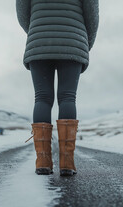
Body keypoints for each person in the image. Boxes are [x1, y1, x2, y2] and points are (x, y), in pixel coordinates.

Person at [17, 0, 99, 176]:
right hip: (73, 39)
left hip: (39, 41)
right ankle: (67, 163)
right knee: (68, 98)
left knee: (42, 98)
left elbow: (22, 14)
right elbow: (92, 16)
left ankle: (43, 161)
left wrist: (38, 30)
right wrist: (84, 42)